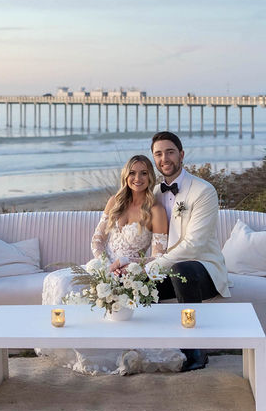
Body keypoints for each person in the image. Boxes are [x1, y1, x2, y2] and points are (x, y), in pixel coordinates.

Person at [40, 154, 185, 374]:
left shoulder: (155, 210)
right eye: (133, 173)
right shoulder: (114, 202)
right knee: (58, 281)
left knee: (76, 288)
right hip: (102, 266)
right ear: (125, 176)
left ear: (151, 176)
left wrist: (127, 262)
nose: (138, 178)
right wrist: (104, 263)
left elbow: (158, 256)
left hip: (131, 271)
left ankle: (110, 356)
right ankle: (76, 349)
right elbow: (97, 240)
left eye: (144, 173)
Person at [114, 131, 230, 371]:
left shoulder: (203, 191)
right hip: (165, 267)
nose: (164, 158)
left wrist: (154, 265)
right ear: (153, 159)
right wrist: (131, 264)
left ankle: (196, 350)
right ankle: (149, 348)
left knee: (182, 268)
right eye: (158, 154)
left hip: (202, 269)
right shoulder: (153, 193)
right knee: (132, 280)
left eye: (170, 152)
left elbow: (194, 245)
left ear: (181, 155)